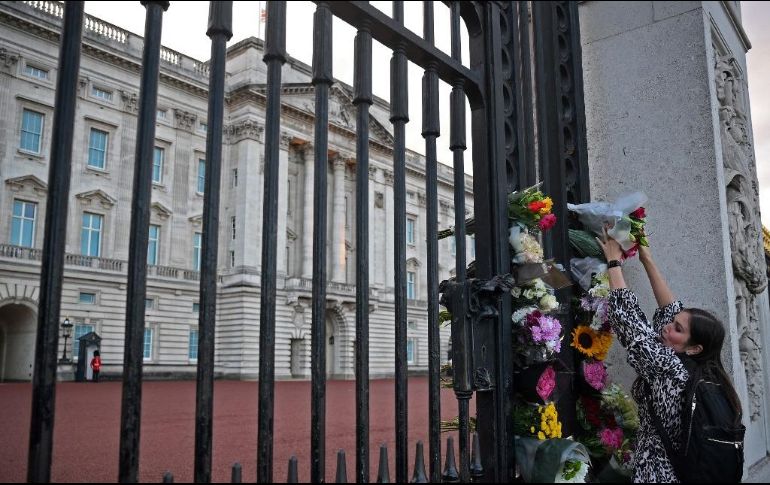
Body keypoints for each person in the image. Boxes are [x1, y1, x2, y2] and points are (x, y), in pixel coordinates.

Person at [596, 228, 742, 483]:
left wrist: (614, 262)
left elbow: (629, 324)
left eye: (678, 329)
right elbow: (670, 309)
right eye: (673, 322)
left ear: (694, 347)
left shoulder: (671, 371)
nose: (667, 327)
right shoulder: (703, 370)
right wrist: (647, 259)